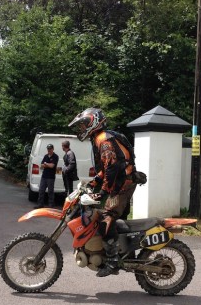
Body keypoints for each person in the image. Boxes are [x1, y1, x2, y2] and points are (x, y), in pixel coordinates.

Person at [68, 107, 137, 277]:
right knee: (116, 219)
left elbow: (113, 168)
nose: (82, 129)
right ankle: (126, 252)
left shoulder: (103, 140)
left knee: (107, 216)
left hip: (123, 184)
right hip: (122, 181)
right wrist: (94, 183)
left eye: (84, 125)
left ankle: (112, 261)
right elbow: (106, 169)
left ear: (94, 122)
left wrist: (103, 191)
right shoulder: (101, 138)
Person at [35, 143, 59, 208]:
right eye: (48, 149)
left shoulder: (55, 156)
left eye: (50, 149)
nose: (49, 150)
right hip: (44, 176)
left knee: (50, 191)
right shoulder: (45, 156)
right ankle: (40, 204)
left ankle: (51, 205)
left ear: (53, 149)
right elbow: (41, 166)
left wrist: (46, 164)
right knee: (41, 190)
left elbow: (52, 166)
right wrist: (47, 164)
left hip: (51, 177)